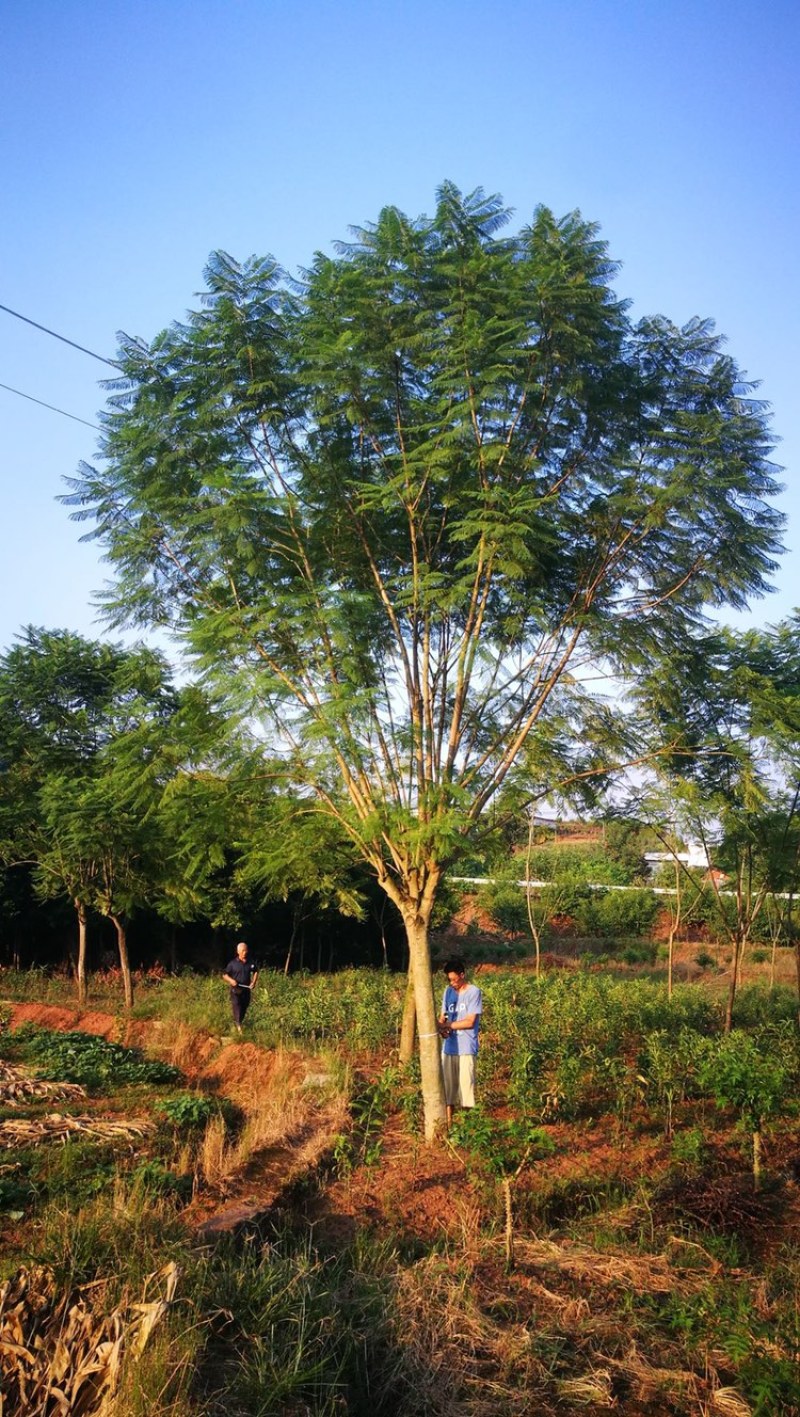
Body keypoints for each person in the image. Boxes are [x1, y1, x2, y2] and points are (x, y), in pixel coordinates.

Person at [438, 955, 483, 1126]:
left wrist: (448, 1024)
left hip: (466, 1048)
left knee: (466, 1089)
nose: (452, 983)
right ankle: (449, 1125)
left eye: (455, 980)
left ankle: (468, 1128)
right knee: (448, 1090)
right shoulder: (448, 991)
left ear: (462, 975)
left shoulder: (474, 992)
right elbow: (443, 1017)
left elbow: (470, 1021)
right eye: (449, 980)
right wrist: (442, 1028)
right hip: (449, 1048)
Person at [222, 941, 258, 1033]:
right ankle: (239, 1029)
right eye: (243, 951)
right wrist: (231, 980)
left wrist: (253, 982)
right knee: (237, 1006)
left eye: (246, 950)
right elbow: (224, 975)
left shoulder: (250, 962)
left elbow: (256, 971)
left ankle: (238, 1024)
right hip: (236, 990)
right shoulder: (232, 964)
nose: (245, 952)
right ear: (238, 952)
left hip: (246, 990)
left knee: (243, 1007)